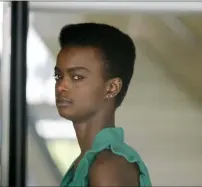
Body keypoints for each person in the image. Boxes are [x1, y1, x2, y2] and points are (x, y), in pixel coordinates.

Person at [54, 23, 152, 187]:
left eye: (77, 77)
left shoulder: (107, 168)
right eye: (58, 76)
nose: (61, 86)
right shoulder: (87, 162)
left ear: (112, 88)